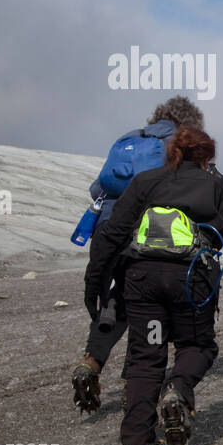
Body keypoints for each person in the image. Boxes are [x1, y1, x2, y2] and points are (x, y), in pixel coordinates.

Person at [85, 126, 223, 445]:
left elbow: (112, 233)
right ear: (207, 156)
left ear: (171, 152)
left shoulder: (146, 181)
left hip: (142, 280)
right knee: (197, 347)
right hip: (190, 281)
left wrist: (95, 286)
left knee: (145, 357)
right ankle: (177, 388)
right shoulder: (217, 187)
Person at [72, 96, 205, 414]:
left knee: (115, 301)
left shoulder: (130, 138)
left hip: (108, 227)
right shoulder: (179, 143)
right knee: (150, 304)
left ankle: (91, 362)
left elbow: (97, 188)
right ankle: (137, 379)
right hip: (145, 234)